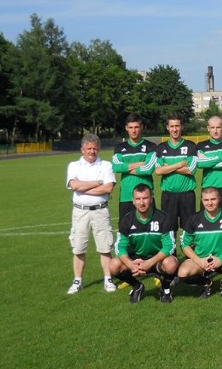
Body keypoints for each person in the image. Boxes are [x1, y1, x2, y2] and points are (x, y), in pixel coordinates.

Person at [65, 134, 117, 295]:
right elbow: (74, 185)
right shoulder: (74, 165)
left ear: (99, 149)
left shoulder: (106, 165)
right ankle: (77, 281)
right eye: (89, 148)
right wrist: (96, 182)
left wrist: (83, 187)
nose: (92, 151)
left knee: (105, 247)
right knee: (79, 248)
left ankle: (108, 279)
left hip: (101, 211)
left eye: (95, 148)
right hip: (80, 211)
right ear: (82, 149)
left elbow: (108, 188)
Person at [110, 184, 178, 303]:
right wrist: (131, 264)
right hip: (136, 261)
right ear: (133, 201)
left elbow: (170, 246)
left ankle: (165, 288)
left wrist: (149, 263)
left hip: (157, 260)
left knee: (171, 263)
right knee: (113, 265)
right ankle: (137, 286)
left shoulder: (163, 218)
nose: (142, 202)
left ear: (151, 199)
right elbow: (120, 246)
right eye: (138, 199)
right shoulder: (127, 220)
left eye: (145, 198)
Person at [178, 187, 222, 299]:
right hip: (201, 261)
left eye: (213, 199)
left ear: (219, 199)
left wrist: (221, 259)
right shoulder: (194, 219)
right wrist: (199, 261)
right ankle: (206, 282)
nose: (210, 203)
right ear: (201, 200)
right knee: (183, 273)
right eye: (206, 200)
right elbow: (184, 244)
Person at [154, 112, 198, 243]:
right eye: (172, 126)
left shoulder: (190, 146)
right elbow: (158, 171)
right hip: (168, 195)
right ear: (167, 127)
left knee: (189, 229)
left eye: (177, 126)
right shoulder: (161, 148)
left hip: (187, 195)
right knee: (169, 229)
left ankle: (189, 259)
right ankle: (171, 259)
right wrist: (180, 164)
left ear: (182, 127)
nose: (174, 129)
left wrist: (168, 167)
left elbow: (191, 170)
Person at [112, 113, 157, 224]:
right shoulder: (120, 148)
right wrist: (140, 163)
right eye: (131, 127)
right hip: (126, 197)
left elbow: (149, 168)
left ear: (141, 127)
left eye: (136, 127)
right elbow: (116, 166)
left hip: (146, 197)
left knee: (150, 232)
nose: (134, 130)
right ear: (126, 128)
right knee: (126, 232)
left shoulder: (151, 146)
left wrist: (126, 168)